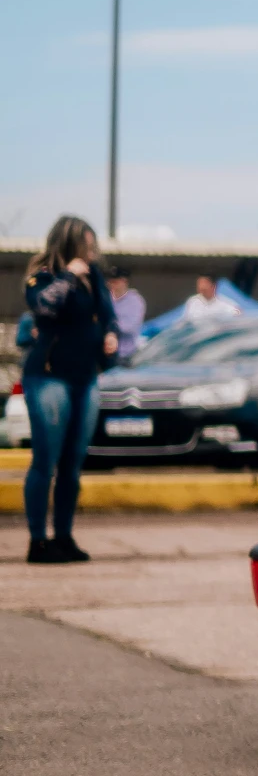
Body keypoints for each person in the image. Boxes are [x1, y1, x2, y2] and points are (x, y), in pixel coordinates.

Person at [21, 215, 118, 564]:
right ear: (70, 245)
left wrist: (110, 336)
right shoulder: (43, 275)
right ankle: (37, 541)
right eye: (87, 247)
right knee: (45, 460)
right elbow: (43, 307)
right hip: (49, 377)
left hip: (85, 377)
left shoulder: (93, 278)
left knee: (72, 464)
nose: (92, 254)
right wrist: (67, 276)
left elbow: (108, 315)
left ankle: (63, 536)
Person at [107, 267, 146, 360]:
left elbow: (129, 327)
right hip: (106, 354)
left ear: (124, 281)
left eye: (115, 282)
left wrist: (109, 326)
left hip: (125, 354)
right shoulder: (106, 298)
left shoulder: (135, 300)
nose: (112, 285)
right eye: (110, 282)